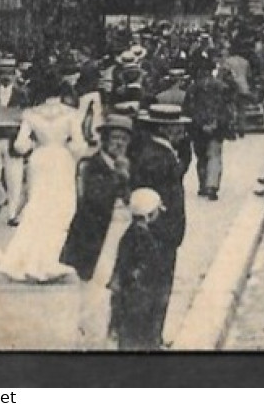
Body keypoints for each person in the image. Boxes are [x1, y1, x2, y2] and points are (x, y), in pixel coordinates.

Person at [0, 75, 83, 283]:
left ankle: (23, 258)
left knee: (37, 206)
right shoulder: (71, 114)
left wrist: (35, 147)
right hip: (61, 158)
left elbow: (19, 145)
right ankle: (51, 259)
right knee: (60, 208)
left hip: (40, 158)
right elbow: (78, 145)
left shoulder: (31, 114)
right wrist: (69, 150)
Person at [129, 104, 191, 343]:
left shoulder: (158, 151)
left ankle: (153, 335)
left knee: (156, 285)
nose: (182, 131)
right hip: (159, 231)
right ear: (166, 128)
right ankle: (151, 338)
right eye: (178, 127)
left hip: (161, 230)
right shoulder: (156, 156)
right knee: (157, 285)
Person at [62, 114, 134, 282]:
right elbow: (94, 199)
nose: (119, 143)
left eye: (124, 139)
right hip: (94, 234)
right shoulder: (92, 164)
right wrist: (120, 178)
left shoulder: (127, 164)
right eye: (115, 138)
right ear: (105, 140)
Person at [110, 188, 175, 351]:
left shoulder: (127, 237)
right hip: (144, 298)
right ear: (150, 215)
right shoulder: (149, 238)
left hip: (129, 301)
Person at [0, 57, 29, 221]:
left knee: (14, 179)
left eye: (9, 73)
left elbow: (25, 119)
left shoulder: (22, 94)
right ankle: (0, 198)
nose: (6, 77)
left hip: (13, 141)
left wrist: (23, 140)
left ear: (14, 74)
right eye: (2, 73)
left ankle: (13, 215)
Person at [184, 61, 235, 200]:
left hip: (198, 128)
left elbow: (188, 109)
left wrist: (198, 124)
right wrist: (221, 123)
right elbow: (228, 109)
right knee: (214, 156)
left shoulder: (193, 88)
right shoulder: (222, 87)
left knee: (201, 157)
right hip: (216, 127)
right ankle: (212, 186)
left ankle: (202, 185)